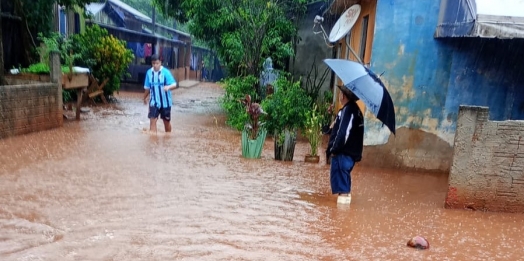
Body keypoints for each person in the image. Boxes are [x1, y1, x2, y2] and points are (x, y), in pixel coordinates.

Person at [326, 86, 364, 205]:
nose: (339, 96)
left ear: (343, 95)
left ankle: (340, 216)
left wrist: (334, 149)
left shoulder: (349, 110)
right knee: (345, 187)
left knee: (342, 190)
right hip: (348, 155)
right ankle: (343, 217)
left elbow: (343, 134)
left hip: (343, 154)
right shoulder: (354, 110)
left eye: (340, 93)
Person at [143, 54, 178, 133]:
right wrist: (144, 98)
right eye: (153, 63)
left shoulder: (166, 72)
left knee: (166, 122)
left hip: (165, 103)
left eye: (157, 63)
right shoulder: (149, 73)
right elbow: (147, 88)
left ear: (160, 62)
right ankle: (153, 142)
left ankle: (168, 138)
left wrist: (168, 87)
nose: (155, 65)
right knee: (152, 120)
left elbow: (174, 84)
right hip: (153, 102)